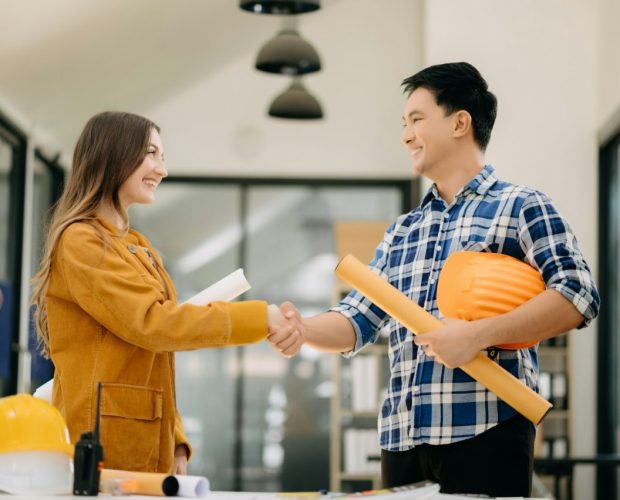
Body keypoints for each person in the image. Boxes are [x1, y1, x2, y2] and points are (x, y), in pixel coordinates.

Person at [268, 62, 600, 497]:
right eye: (404, 123)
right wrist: (303, 329)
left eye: (417, 120)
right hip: (402, 440)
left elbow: (578, 294)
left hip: (487, 433)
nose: (405, 135)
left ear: (460, 122)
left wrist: (477, 336)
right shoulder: (402, 230)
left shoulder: (521, 206)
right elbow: (359, 318)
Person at [31, 111, 300, 474]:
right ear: (115, 154)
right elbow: (154, 325)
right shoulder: (81, 240)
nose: (162, 169)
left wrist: (176, 441)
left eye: (163, 157)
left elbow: (155, 358)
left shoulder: (136, 245)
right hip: (102, 439)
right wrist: (257, 318)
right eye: (151, 154)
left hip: (144, 436)